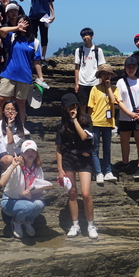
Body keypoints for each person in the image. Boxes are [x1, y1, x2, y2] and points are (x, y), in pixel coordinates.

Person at [56, 93, 97, 239]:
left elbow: (84, 137)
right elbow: (58, 148)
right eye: (70, 106)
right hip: (68, 159)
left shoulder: (86, 120)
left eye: (75, 105)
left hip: (84, 159)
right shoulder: (60, 125)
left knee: (85, 193)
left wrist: (74, 120)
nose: (73, 108)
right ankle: (75, 225)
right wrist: (60, 169)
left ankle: (91, 225)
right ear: (64, 108)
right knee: (72, 192)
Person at [0, 15, 44, 125]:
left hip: (25, 76)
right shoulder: (12, 36)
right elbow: (1, 31)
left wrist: (40, 77)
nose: (22, 24)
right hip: (9, 74)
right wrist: (16, 28)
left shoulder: (35, 42)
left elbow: (36, 62)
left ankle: (20, 127)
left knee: (21, 103)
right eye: (20, 22)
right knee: (2, 100)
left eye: (25, 22)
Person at [116, 56, 139, 180]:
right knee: (124, 140)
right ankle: (125, 163)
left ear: (137, 68)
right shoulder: (120, 82)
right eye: (128, 67)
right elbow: (119, 101)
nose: (131, 69)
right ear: (125, 68)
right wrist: (129, 113)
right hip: (125, 116)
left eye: (133, 67)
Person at [0, 139, 45, 239]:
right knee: (28, 207)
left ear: (36, 153)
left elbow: (40, 190)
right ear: (22, 153)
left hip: (26, 200)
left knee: (40, 205)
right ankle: (16, 221)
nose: (30, 153)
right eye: (27, 151)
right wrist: (12, 166)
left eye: (33, 151)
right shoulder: (17, 167)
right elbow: (1, 182)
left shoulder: (37, 169)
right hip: (9, 201)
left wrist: (31, 195)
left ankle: (27, 221)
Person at [87, 64, 119, 184]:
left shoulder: (115, 88)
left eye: (108, 74)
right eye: (104, 73)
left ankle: (108, 171)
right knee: (95, 149)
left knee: (107, 149)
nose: (106, 76)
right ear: (100, 75)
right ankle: (98, 172)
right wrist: (88, 125)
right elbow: (90, 107)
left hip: (108, 123)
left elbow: (113, 101)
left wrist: (109, 87)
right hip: (95, 122)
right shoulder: (95, 89)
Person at [20, 0, 55, 65]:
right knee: (33, 36)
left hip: (45, 16)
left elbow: (50, 2)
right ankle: (34, 56)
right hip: (33, 16)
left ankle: (43, 57)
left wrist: (53, 14)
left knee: (44, 37)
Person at [0, 100, 29, 169]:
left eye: (13, 109)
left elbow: (10, 142)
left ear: (16, 112)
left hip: (14, 155)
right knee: (9, 159)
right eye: (7, 109)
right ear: (3, 111)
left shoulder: (20, 128)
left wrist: (9, 125)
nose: (10, 111)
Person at [74, 27, 106, 114]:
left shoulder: (98, 50)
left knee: (93, 105)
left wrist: (101, 82)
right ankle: (83, 122)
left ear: (92, 36)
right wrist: (76, 84)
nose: (85, 37)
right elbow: (77, 68)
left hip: (95, 82)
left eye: (87, 35)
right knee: (82, 105)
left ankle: (90, 124)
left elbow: (101, 67)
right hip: (82, 82)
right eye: (83, 36)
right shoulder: (79, 50)